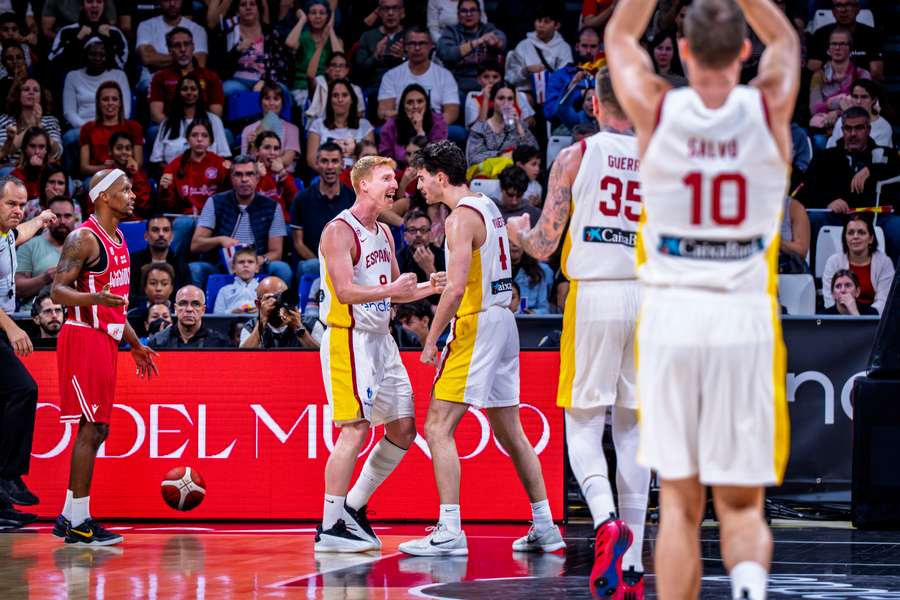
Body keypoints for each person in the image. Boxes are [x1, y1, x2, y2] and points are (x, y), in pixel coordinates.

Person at [605, 0, 799, 598]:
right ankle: (748, 586)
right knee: (741, 506)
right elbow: (786, 41)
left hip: (673, 317)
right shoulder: (768, 106)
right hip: (742, 316)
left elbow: (620, 33)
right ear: (745, 50)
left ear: (684, 51)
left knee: (680, 505)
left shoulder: (655, 106)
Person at [507, 67, 651, 596]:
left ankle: (606, 520)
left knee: (584, 424)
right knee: (634, 430)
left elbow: (545, 245)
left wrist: (518, 232)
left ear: (593, 103)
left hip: (595, 293)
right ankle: (632, 567)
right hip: (648, 296)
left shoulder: (576, 155)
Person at [399, 140, 564, 556]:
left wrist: (432, 338)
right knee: (511, 431)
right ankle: (545, 525)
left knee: (437, 426)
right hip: (503, 320)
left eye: (422, 177)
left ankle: (450, 530)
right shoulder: (488, 206)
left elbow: (456, 290)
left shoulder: (458, 219)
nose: (418, 185)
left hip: (477, 322)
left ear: (440, 177)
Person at [315, 155, 445, 552]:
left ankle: (353, 507)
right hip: (349, 337)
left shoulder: (385, 232)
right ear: (363, 185)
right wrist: (392, 290)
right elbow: (344, 292)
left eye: (394, 178)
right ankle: (330, 526)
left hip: (381, 340)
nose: (395, 185)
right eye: (386, 178)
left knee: (403, 429)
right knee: (354, 428)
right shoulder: (339, 231)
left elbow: (395, 292)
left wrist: (430, 286)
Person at [50, 168, 158, 545]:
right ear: (102, 197)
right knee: (92, 428)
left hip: (106, 338)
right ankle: (80, 522)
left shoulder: (120, 239)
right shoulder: (83, 238)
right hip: (82, 337)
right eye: (124, 190)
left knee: (99, 428)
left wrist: (135, 344)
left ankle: (69, 515)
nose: (132, 195)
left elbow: (116, 305)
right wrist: (92, 298)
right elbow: (57, 292)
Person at [0, 175, 54, 518]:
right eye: (11, 204)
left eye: (22, 204)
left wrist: (42, 219)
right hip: (1, 325)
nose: (18, 210)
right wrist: (12, 327)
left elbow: (21, 233)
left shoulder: (6, 234)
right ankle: (9, 476)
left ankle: (1, 505)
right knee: (24, 390)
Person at [190, 156, 292, 289]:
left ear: (257, 178)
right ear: (231, 178)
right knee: (195, 268)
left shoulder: (272, 207)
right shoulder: (215, 202)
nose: (244, 179)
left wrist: (258, 260)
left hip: (257, 266)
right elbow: (196, 244)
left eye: (249, 174)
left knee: (282, 268)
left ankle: (278, 304)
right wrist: (220, 240)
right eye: (238, 174)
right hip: (221, 265)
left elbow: (276, 252)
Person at [290, 142, 355, 278]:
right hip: (314, 263)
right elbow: (298, 243)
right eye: (324, 161)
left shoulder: (353, 199)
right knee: (311, 266)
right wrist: (324, 264)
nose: (330, 166)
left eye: (334, 161)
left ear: (342, 165)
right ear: (317, 164)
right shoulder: (301, 199)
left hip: (346, 264)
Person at [377, 26, 460, 126]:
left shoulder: (445, 76)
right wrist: (411, 122)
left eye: (422, 43)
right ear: (405, 47)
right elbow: (383, 112)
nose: (417, 48)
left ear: (431, 46)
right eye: (412, 43)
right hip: (401, 127)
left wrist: (429, 126)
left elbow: (452, 113)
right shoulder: (391, 76)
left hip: (435, 127)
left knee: (457, 132)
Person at [149, 74, 232, 168]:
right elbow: (157, 159)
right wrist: (172, 173)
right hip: (174, 174)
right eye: (184, 89)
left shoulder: (214, 121)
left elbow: (224, 156)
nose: (189, 92)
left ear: (199, 92)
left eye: (193, 89)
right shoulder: (167, 123)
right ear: (178, 93)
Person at [148, 26, 224, 124]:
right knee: (153, 130)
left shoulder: (211, 77)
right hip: (171, 126)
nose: (183, 49)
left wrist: (197, 129)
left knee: (226, 131)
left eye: (186, 44)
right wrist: (178, 128)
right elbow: (156, 114)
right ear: (170, 50)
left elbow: (216, 113)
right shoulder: (160, 77)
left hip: (203, 127)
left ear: (193, 47)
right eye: (177, 45)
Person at [822, 214, 894, 314]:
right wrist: (845, 315)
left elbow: (883, 302)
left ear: (871, 238)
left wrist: (858, 316)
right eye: (851, 233)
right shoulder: (833, 262)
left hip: (874, 318)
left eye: (861, 232)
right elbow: (830, 299)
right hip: (839, 315)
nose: (855, 236)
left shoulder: (884, 263)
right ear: (845, 238)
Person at [15, 196, 76, 308]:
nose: (62, 221)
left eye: (67, 216)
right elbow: (17, 289)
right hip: (34, 314)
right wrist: (45, 278)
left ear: (75, 218)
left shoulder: (86, 246)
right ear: (48, 219)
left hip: (75, 313)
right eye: (57, 216)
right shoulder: (29, 246)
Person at [159, 119, 229, 216]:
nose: (199, 139)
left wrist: (229, 175)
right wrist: (165, 189)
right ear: (187, 139)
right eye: (194, 135)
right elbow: (168, 205)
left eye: (204, 135)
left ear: (211, 141)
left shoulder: (221, 164)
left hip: (215, 216)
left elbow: (229, 199)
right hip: (185, 217)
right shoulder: (174, 166)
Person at [436, 0, 506, 94]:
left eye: (473, 10)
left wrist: (496, 42)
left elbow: (501, 41)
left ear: (479, 14)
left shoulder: (488, 29)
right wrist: (476, 42)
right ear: (458, 15)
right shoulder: (451, 32)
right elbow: (447, 54)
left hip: (487, 84)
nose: (468, 14)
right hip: (458, 85)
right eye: (464, 11)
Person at [61, 37, 131, 131]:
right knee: (70, 137)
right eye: (93, 54)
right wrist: (91, 129)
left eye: (102, 55)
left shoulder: (119, 75)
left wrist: (110, 127)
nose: (97, 58)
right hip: (83, 127)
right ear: (85, 54)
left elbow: (125, 110)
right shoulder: (72, 76)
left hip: (114, 126)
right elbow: (69, 112)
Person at [135, 0, 208, 88]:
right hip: (152, 81)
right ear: (159, 1)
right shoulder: (146, 26)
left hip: (187, 81)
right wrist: (185, 59)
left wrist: (159, 59)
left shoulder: (197, 29)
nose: (172, 4)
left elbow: (199, 63)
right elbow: (147, 58)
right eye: (167, 0)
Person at [808, 28, 869, 132]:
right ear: (829, 49)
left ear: (850, 48)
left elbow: (864, 106)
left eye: (842, 44)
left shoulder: (862, 74)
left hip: (855, 125)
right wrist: (833, 104)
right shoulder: (818, 76)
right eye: (834, 44)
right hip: (825, 127)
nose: (837, 48)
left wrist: (837, 112)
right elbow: (814, 109)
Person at [306, 78, 375, 170]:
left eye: (344, 95)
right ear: (330, 100)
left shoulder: (365, 126)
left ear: (352, 99)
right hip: (327, 174)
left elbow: (370, 158)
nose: (340, 99)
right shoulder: (317, 125)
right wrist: (331, 173)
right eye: (335, 95)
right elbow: (312, 160)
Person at [77, 81, 143, 178]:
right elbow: (84, 168)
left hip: (127, 176)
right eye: (105, 99)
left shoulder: (134, 127)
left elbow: (139, 163)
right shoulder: (87, 128)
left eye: (114, 99)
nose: (110, 103)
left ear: (120, 103)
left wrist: (122, 166)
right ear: (98, 103)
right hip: (99, 177)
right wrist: (106, 168)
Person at [285, 0, 344, 107]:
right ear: (308, 16)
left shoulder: (335, 40)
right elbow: (289, 43)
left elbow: (339, 57)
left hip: (327, 88)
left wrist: (330, 29)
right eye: (313, 13)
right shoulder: (303, 37)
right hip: (303, 88)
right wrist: (302, 20)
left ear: (328, 17)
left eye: (322, 13)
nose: (317, 16)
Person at [47, 0, 128, 76]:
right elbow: (54, 63)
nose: (94, 5)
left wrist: (107, 41)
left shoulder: (115, 32)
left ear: (104, 6)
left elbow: (121, 67)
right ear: (82, 5)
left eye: (99, 2)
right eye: (89, 1)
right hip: (74, 81)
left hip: (107, 82)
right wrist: (77, 40)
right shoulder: (67, 31)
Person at [806, 0, 883, 81]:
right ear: (833, 11)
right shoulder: (820, 34)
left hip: (862, 85)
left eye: (848, 4)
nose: (843, 10)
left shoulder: (872, 35)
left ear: (857, 9)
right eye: (838, 5)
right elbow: (813, 69)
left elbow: (876, 73)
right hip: (828, 85)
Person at [466, 82, 538, 166]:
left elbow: (534, 153)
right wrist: (501, 154)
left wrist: (519, 127)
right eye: (501, 98)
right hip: (490, 172)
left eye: (510, 99)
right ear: (492, 101)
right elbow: (474, 158)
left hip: (517, 172)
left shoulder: (520, 126)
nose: (506, 103)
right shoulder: (480, 128)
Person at [505, 4, 572, 93]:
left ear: (557, 25)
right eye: (539, 20)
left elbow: (567, 78)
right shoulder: (523, 45)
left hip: (554, 94)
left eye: (546, 22)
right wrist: (525, 71)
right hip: (527, 93)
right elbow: (510, 77)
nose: (541, 25)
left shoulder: (564, 48)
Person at [378, 84, 449, 166]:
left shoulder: (438, 123)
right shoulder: (390, 126)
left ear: (426, 103)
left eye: (420, 101)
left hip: (430, 170)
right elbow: (386, 159)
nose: (415, 106)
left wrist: (420, 131)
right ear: (403, 106)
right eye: (410, 102)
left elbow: (437, 157)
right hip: (399, 171)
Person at [0, 77, 62, 170]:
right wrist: (30, 126)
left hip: (43, 168)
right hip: (12, 168)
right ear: (17, 94)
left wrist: (39, 127)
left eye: (36, 90)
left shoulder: (50, 121)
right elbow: (4, 152)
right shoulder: (6, 120)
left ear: (41, 96)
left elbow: (57, 151)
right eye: (26, 89)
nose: (31, 92)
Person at [239, 275, 318, 348]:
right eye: (271, 297)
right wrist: (261, 323)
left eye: (283, 296)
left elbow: (323, 356)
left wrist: (298, 327)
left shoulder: (311, 324)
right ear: (258, 304)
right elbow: (242, 357)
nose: (278, 302)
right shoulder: (251, 327)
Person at [127, 215, 191, 304]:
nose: (161, 234)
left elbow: (185, 297)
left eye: (166, 230)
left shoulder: (180, 264)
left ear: (172, 236)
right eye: (155, 230)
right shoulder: (132, 261)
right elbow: (127, 295)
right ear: (146, 236)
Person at [239, 80, 301, 171]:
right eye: (267, 98)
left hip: (282, 174)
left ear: (282, 103)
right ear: (261, 102)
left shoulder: (292, 129)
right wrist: (252, 144)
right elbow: (246, 161)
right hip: (257, 175)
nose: (271, 103)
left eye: (276, 99)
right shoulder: (248, 130)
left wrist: (269, 168)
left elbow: (288, 159)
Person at [543, 27, 600, 123]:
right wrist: (579, 93)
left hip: (603, 128)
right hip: (569, 129)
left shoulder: (607, 75)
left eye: (593, 46)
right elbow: (550, 113)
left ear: (599, 47)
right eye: (584, 46)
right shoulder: (560, 76)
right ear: (577, 46)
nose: (589, 51)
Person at [148, 284, 232, 348]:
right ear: (175, 309)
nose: (189, 309)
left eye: (196, 304)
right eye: (183, 303)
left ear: (203, 310)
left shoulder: (221, 344)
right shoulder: (157, 342)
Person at [354, 0, 406, 97]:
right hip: (374, 92)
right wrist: (375, 56)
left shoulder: (411, 36)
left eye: (395, 8)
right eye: (386, 8)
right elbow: (358, 72)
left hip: (405, 90)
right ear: (380, 12)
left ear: (402, 12)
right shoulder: (367, 36)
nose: (390, 13)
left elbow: (422, 69)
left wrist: (403, 58)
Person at [465, 61, 536, 129]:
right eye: (486, 77)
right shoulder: (474, 99)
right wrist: (486, 99)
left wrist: (517, 129)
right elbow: (475, 130)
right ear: (479, 80)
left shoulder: (514, 94)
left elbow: (531, 120)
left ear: (501, 79)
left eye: (495, 77)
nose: (491, 81)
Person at [305, 52, 366, 129]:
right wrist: (319, 48)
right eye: (334, 65)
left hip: (347, 128)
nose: (337, 69)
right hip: (321, 128)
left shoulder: (355, 89)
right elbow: (310, 76)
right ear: (327, 69)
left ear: (347, 70)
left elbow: (360, 114)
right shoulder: (320, 84)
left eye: (341, 66)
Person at [397, 209, 446, 304]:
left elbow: (444, 295)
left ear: (430, 234)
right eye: (412, 230)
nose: (418, 235)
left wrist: (429, 269)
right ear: (405, 235)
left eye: (423, 230)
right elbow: (398, 295)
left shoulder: (442, 255)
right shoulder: (398, 258)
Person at [826, 79, 892, 149]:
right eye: (855, 97)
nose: (859, 101)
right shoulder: (841, 121)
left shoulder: (883, 127)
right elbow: (832, 149)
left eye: (864, 97)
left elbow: (880, 153)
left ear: (874, 100)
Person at [106, 133, 152, 218]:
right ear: (110, 151)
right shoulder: (104, 176)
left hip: (136, 220)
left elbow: (144, 203)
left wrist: (135, 173)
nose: (124, 152)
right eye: (119, 148)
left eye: (128, 148)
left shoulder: (138, 173)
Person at [252, 130, 297, 215]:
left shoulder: (283, 173)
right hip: (257, 219)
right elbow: (249, 204)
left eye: (276, 149)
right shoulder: (248, 173)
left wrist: (283, 175)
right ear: (257, 151)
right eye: (267, 147)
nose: (272, 153)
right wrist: (258, 177)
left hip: (281, 220)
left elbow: (296, 202)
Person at [508, 240, 553, 314]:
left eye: (518, 240)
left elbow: (544, 308)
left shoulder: (538, 272)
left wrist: (531, 313)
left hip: (527, 319)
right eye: (510, 241)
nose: (514, 245)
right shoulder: (494, 270)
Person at [214, 245, 260, 314]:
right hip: (232, 320)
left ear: (257, 268)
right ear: (233, 268)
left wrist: (260, 312)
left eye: (250, 262)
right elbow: (216, 316)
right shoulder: (224, 291)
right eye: (241, 262)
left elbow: (271, 313)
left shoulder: (263, 290)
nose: (246, 265)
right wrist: (232, 312)